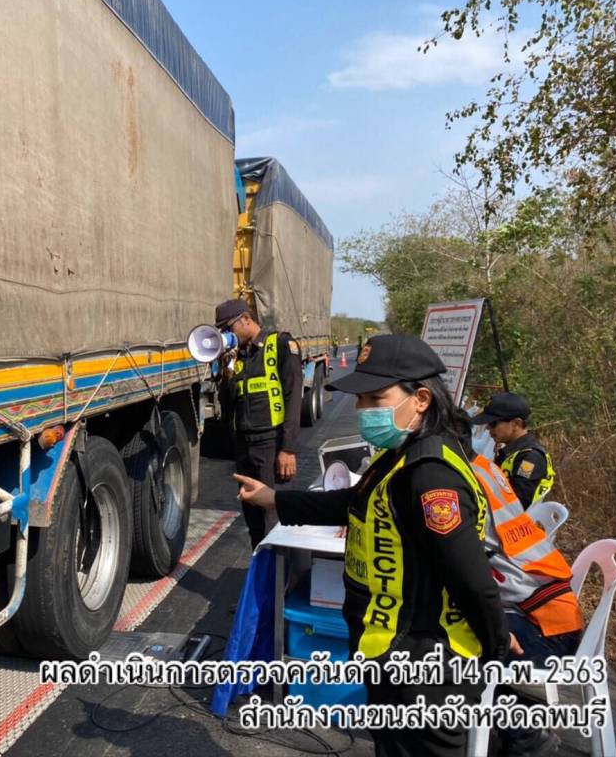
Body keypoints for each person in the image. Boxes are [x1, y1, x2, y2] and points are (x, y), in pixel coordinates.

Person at [236, 334, 510, 757]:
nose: (362, 409)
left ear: (421, 399)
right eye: (360, 399)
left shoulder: (431, 476)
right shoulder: (400, 454)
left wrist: (497, 646)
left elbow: (470, 578)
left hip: (425, 668)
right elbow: (352, 502)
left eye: (375, 398)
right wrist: (274, 498)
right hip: (391, 651)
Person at [465, 426, 583, 756]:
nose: (491, 429)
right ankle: (522, 714)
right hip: (545, 612)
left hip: (548, 632)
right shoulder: (485, 470)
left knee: (450, 643)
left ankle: (525, 732)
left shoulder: (466, 489)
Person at [214, 298, 303, 549]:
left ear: (246, 319)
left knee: (274, 519)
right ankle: (260, 568)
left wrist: (288, 449)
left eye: (227, 328)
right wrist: (225, 373)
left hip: (271, 445)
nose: (225, 335)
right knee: (253, 518)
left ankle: (280, 571)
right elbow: (227, 407)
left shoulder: (280, 345)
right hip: (244, 446)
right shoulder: (236, 357)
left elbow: (293, 398)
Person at [472, 393, 555, 509]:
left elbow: (517, 503)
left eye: (493, 423)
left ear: (516, 424)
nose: (488, 428)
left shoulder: (530, 458)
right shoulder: (510, 452)